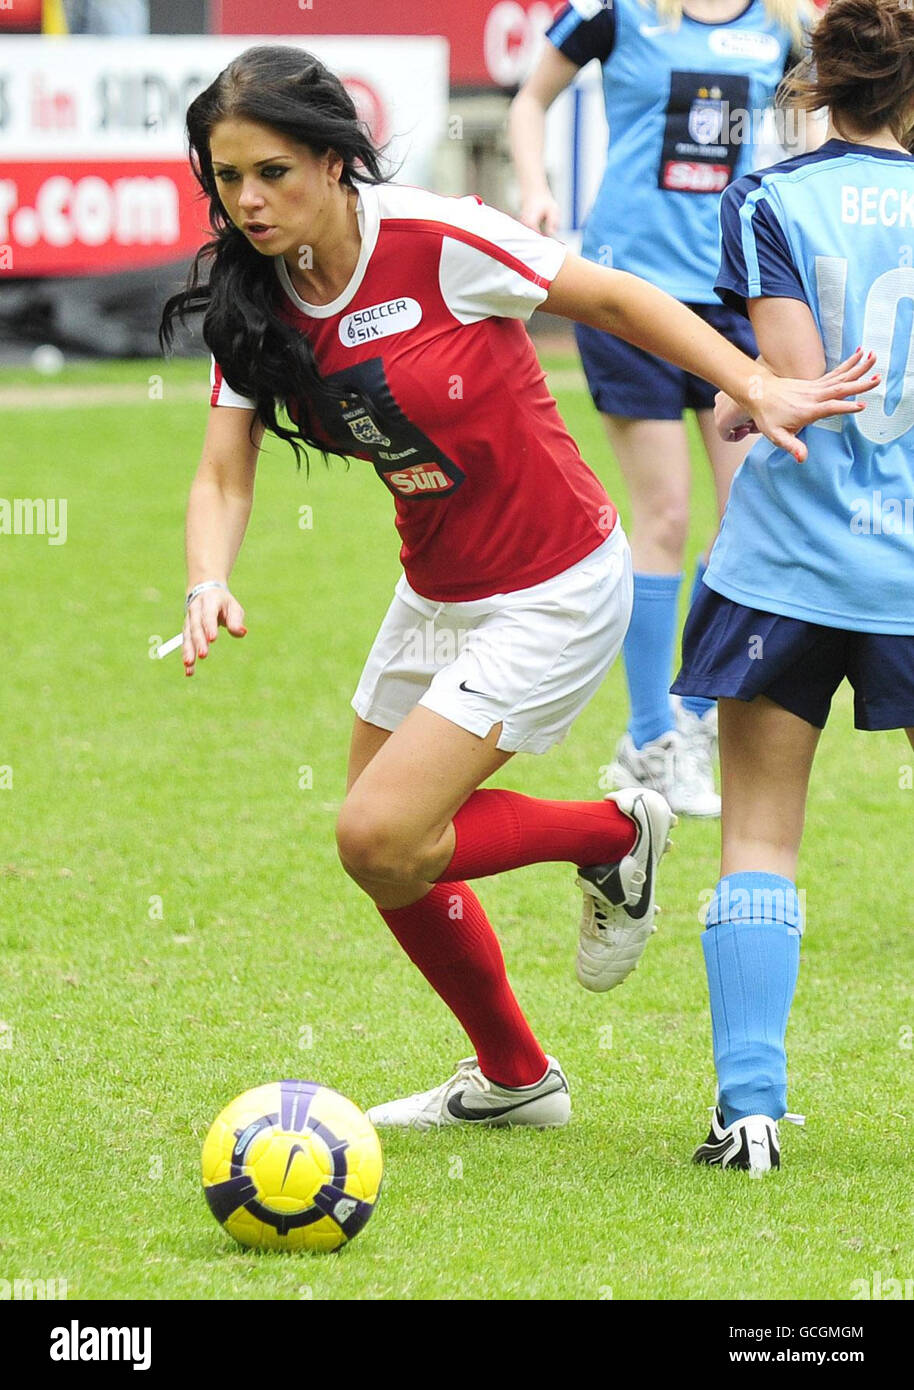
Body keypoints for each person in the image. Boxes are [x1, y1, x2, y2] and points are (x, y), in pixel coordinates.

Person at [160, 44, 873, 1132]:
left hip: (554, 582)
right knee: (390, 859)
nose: (248, 202)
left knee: (375, 833)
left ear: (333, 161)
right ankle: (514, 1078)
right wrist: (207, 579)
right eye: (226, 178)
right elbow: (222, 468)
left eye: (273, 173)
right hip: (435, 592)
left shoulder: (437, 238)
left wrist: (750, 380)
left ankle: (611, 832)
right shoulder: (251, 303)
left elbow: (617, 298)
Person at [671, 0, 914, 1172]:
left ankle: (750, 1111)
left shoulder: (764, 197)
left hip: (787, 565)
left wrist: (735, 398)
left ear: (815, 81)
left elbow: (794, 389)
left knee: (760, 833)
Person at [510, 0, 814, 816]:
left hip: (735, 297)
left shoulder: (786, 18)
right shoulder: (616, 11)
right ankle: (652, 739)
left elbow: (836, 111)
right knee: (666, 515)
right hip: (629, 297)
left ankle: (695, 720)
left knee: (749, 521)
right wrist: (536, 189)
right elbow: (530, 98)